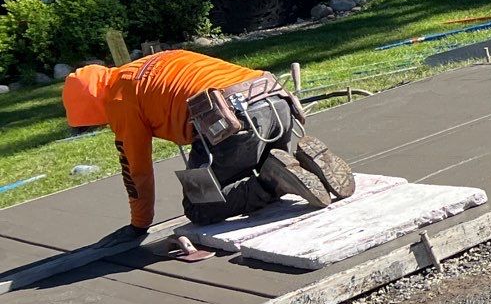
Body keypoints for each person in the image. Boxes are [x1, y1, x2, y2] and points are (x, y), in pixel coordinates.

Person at [62, 50, 355, 237]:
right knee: (260, 163)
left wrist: (139, 225)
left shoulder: (119, 100)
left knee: (200, 207)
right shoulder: (153, 62)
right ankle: (303, 160)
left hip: (229, 120)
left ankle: (273, 181)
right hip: (274, 100)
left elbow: (136, 171)